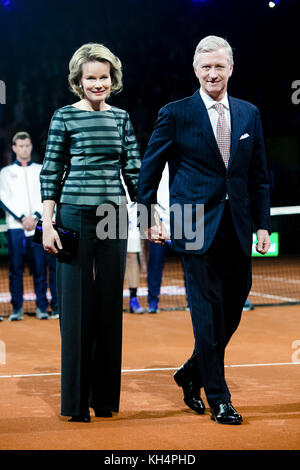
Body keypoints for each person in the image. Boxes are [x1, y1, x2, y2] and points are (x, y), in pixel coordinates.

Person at [137, 36, 271, 425]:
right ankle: (219, 397)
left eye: (220, 67)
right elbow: (150, 169)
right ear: (195, 70)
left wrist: (263, 225)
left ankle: (191, 370)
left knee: (234, 305)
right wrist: (148, 218)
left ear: (231, 69)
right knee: (207, 316)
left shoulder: (249, 114)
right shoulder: (175, 113)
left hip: (239, 228)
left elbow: (259, 177)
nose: (213, 73)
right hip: (192, 227)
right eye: (206, 67)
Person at [40, 43, 140, 422]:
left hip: (113, 215)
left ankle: (104, 399)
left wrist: (149, 217)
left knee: (108, 307)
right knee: (75, 307)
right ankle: (76, 402)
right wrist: (48, 224)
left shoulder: (122, 118)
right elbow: (50, 172)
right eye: (90, 78)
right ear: (78, 82)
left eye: (104, 77)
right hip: (72, 215)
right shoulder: (64, 117)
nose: (98, 84)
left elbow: (133, 171)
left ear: (112, 80)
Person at [0, 131, 56, 321]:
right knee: (16, 268)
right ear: (14, 148)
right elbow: (3, 198)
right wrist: (22, 217)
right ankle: (17, 309)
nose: (24, 149)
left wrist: (38, 216)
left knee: (40, 267)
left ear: (31, 147)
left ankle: (42, 306)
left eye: (27, 145)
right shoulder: (5, 173)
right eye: (20, 146)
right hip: (16, 226)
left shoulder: (41, 169)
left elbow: (48, 193)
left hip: (39, 225)